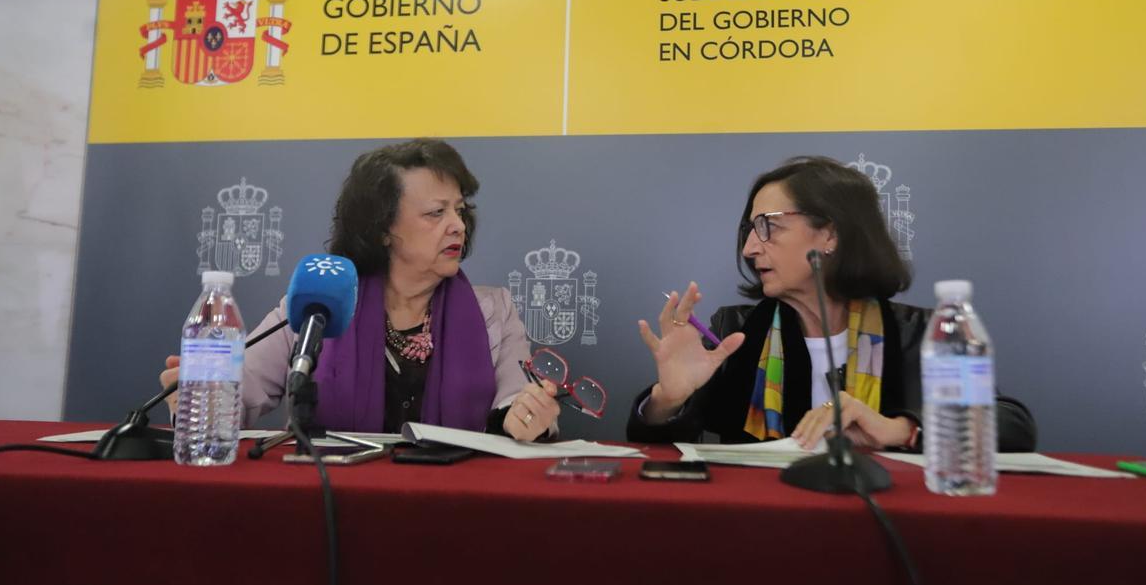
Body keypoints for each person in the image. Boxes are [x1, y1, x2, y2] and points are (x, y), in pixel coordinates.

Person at [627, 156, 1037, 452]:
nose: (751, 248)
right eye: (750, 230)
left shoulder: (918, 331)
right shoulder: (735, 331)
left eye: (768, 227)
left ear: (829, 236)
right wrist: (669, 399)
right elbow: (659, 444)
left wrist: (897, 429)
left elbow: (1011, 424)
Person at [162, 139, 558, 441]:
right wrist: (200, 396)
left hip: (455, 505)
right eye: (437, 213)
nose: (457, 225)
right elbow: (238, 396)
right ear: (383, 229)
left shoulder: (495, 310)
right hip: (333, 502)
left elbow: (514, 403)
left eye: (460, 210)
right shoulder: (320, 304)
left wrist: (528, 417)